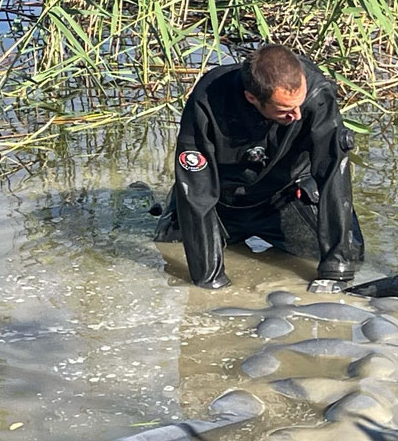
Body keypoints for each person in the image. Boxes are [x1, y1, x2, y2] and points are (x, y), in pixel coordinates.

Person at [154, 44, 364, 292]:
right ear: (252, 98)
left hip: (284, 199)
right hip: (222, 203)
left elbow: (332, 176)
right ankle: (173, 208)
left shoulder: (316, 93)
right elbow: (197, 191)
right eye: (285, 110)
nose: (297, 116)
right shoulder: (207, 100)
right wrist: (210, 281)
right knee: (168, 247)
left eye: (300, 105)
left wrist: (336, 270)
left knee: (353, 254)